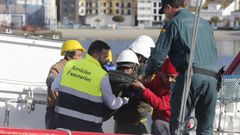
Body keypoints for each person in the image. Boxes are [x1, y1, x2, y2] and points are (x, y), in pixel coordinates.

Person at [145, 0, 218, 134]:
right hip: (213, 78)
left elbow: (158, 55)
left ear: (168, 8)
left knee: (179, 125)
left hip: (191, 76)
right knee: (206, 128)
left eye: (164, 12)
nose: (165, 16)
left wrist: (148, 72)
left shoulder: (172, 23)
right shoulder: (205, 24)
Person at [51, 40, 128, 132]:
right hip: (88, 129)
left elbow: (54, 87)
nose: (108, 59)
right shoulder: (101, 75)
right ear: (95, 56)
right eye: (105, 57)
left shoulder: (70, 65)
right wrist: (124, 100)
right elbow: (112, 104)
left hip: (63, 125)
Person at [45, 40, 86, 129]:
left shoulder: (76, 69)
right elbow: (50, 78)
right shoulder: (59, 66)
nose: (81, 58)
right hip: (56, 113)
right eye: (79, 55)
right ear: (69, 56)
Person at [131, 58, 178, 135]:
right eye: (167, 76)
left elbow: (161, 105)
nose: (169, 80)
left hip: (173, 124)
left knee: (157, 124)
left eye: (173, 77)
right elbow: (151, 86)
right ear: (163, 73)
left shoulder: (178, 88)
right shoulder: (158, 78)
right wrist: (140, 83)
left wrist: (143, 89)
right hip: (161, 121)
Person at [113, 49, 151, 134]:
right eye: (121, 68)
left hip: (137, 124)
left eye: (127, 68)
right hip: (120, 124)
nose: (124, 71)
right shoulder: (114, 83)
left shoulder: (141, 84)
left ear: (135, 68)